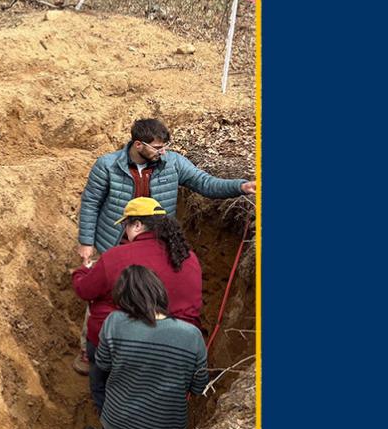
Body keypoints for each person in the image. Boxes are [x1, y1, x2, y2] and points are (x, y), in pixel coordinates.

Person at [73, 118, 253, 373]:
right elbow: (91, 203)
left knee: (148, 296)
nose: (164, 152)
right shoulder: (107, 165)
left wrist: (240, 186)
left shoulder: (173, 163)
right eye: (158, 148)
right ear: (138, 145)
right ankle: (89, 348)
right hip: (112, 244)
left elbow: (205, 183)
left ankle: (145, 353)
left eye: (165, 146)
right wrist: (86, 242)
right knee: (102, 297)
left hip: (153, 243)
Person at [72, 196, 204, 429]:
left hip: (124, 344)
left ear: (137, 225)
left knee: (101, 378)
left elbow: (85, 290)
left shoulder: (117, 257)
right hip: (179, 348)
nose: (125, 232)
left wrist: (83, 270)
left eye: (126, 226)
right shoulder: (188, 257)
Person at [93, 265, 209, 429]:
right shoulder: (192, 336)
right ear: (159, 292)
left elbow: (102, 363)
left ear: (123, 296)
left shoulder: (114, 322)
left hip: (119, 422)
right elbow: (199, 387)